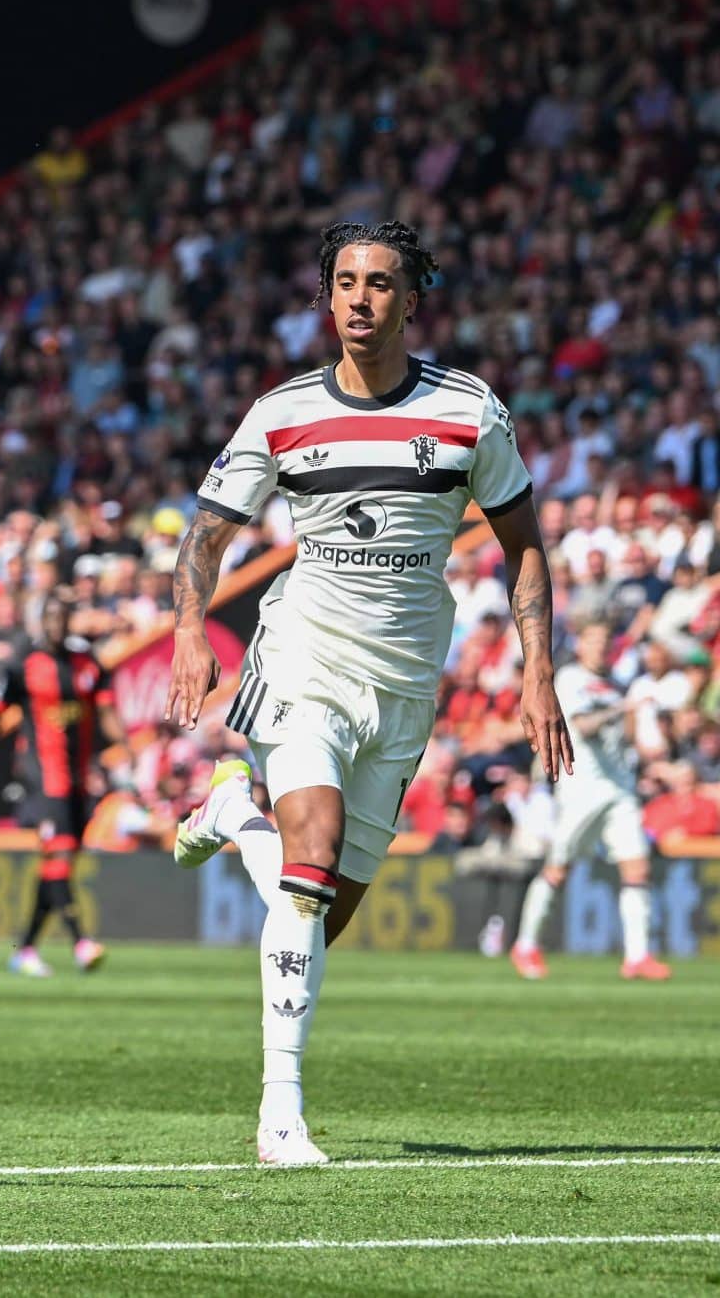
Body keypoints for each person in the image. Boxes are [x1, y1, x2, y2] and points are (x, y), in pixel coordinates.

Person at [163, 221, 574, 1166]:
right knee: (311, 862)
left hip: (405, 681)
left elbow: (524, 545)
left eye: (379, 283)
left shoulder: (471, 412)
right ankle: (281, 1118)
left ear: (411, 299)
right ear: (325, 296)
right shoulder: (280, 412)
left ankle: (234, 817)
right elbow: (208, 533)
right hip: (304, 655)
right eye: (344, 282)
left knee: (320, 907)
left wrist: (538, 670)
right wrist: (191, 624)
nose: (359, 299)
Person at [508, 620, 672, 981]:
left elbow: (625, 737)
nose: (600, 647)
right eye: (594, 639)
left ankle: (638, 956)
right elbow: (583, 726)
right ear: (580, 643)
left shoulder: (616, 685)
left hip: (620, 787)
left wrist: (644, 731)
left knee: (637, 869)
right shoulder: (570, 679)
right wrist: (624, 708)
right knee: (559, 869)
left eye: (605, 640)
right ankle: (525, 945)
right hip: (582, 787)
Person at [0, 598, 119, 977]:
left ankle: (24, 949)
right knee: (60, 852)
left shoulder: (87, 664)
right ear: (42, 621)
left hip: (76, 781)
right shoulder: (24, 664)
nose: (57, 624)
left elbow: (106, 714)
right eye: (51, 617)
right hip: (40, 779)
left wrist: (127, 748)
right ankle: (81, 942)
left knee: (60, 862)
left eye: (63, 617)